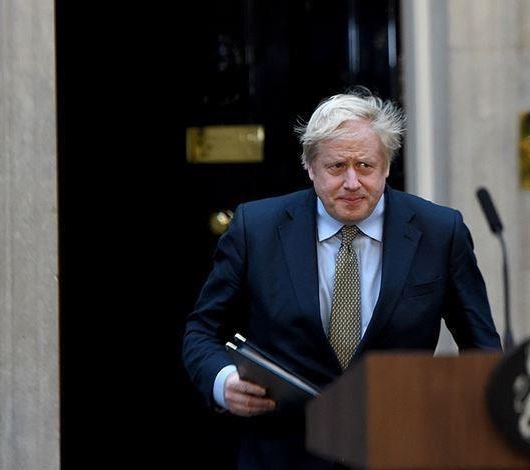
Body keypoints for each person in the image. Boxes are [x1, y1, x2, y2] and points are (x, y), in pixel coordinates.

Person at [182, 89, 502, 469]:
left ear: (386, 166)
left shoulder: (440, 232)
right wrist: (224, 383)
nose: (352, 182)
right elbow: (202, 331)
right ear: (310, 167)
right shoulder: (257, 229)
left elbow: (481, 348)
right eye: (336, 167)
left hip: (399, 450)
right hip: (284, 454)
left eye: (365, 166)